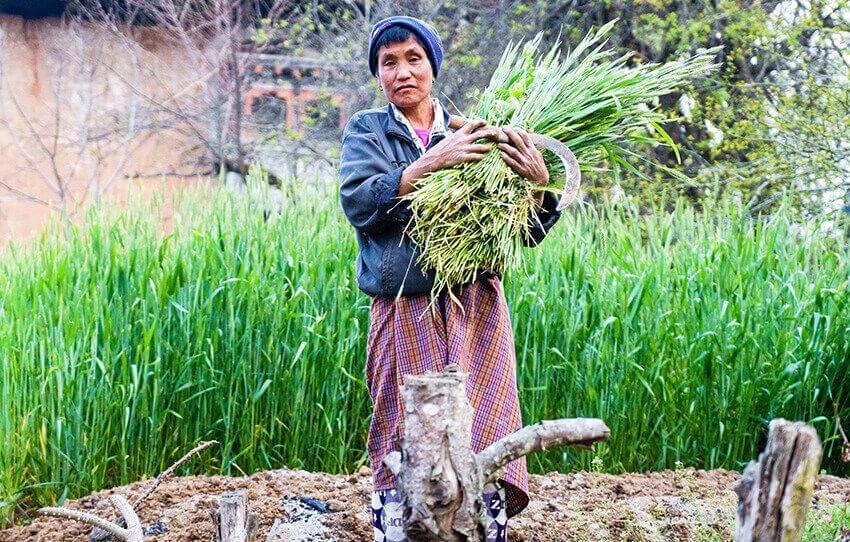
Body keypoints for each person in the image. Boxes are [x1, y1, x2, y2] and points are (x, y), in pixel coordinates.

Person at [338, 15, 562, 542]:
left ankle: (483, 533)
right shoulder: (369, 132)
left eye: (413, 59)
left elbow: (523, 232)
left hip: (475, 309)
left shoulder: (477, 133)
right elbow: (359, 203)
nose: (402, 72)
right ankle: (404, 534)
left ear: (433, 67)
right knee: (406, 431)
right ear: (378, 75)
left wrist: (539, 186)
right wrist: (427, 165)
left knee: (483, 429)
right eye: (388, 63)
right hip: (406, 309)